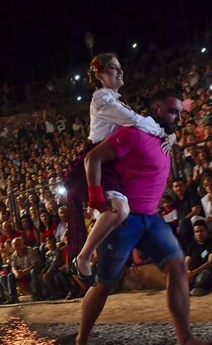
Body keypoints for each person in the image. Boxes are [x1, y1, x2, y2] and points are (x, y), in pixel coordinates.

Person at [76, 88, 212, 345]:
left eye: (179, 112)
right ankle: (81, 342)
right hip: (124, 221)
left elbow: (164, 137)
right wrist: (97, 196)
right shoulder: (133, 133)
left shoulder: (164, 138)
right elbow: (93, 158)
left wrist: (170, 135)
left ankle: (185, 337)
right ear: (156, 109)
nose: (177, 117)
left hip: (151, 218)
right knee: (105, 284)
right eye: (172, 111)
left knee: (177, 264)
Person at [66, 53, 175, 286]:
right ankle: (84, 257)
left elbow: (140, 124)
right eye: (113, 68)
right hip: (97, 161)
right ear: (99, 74)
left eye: (120, 67)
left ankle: (90, 258)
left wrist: (170, 134)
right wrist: (166, 133)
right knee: (120, 209)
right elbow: (136, 121)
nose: (120, 72)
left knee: (121, 211)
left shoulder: (114, 99)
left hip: (110, 163)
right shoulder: (101, 99)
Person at [185, 220, 212, 296]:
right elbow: (187, 261)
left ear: (207, 231)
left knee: (204, 275)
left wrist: (194, 272)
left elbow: (211, 262)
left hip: (210, 273)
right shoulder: (191, 245)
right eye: (197, 231)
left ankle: (191, 289)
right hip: (194, 274)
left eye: (202, 231)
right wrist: (188, 272)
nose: (199, 234)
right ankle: (194, 289)